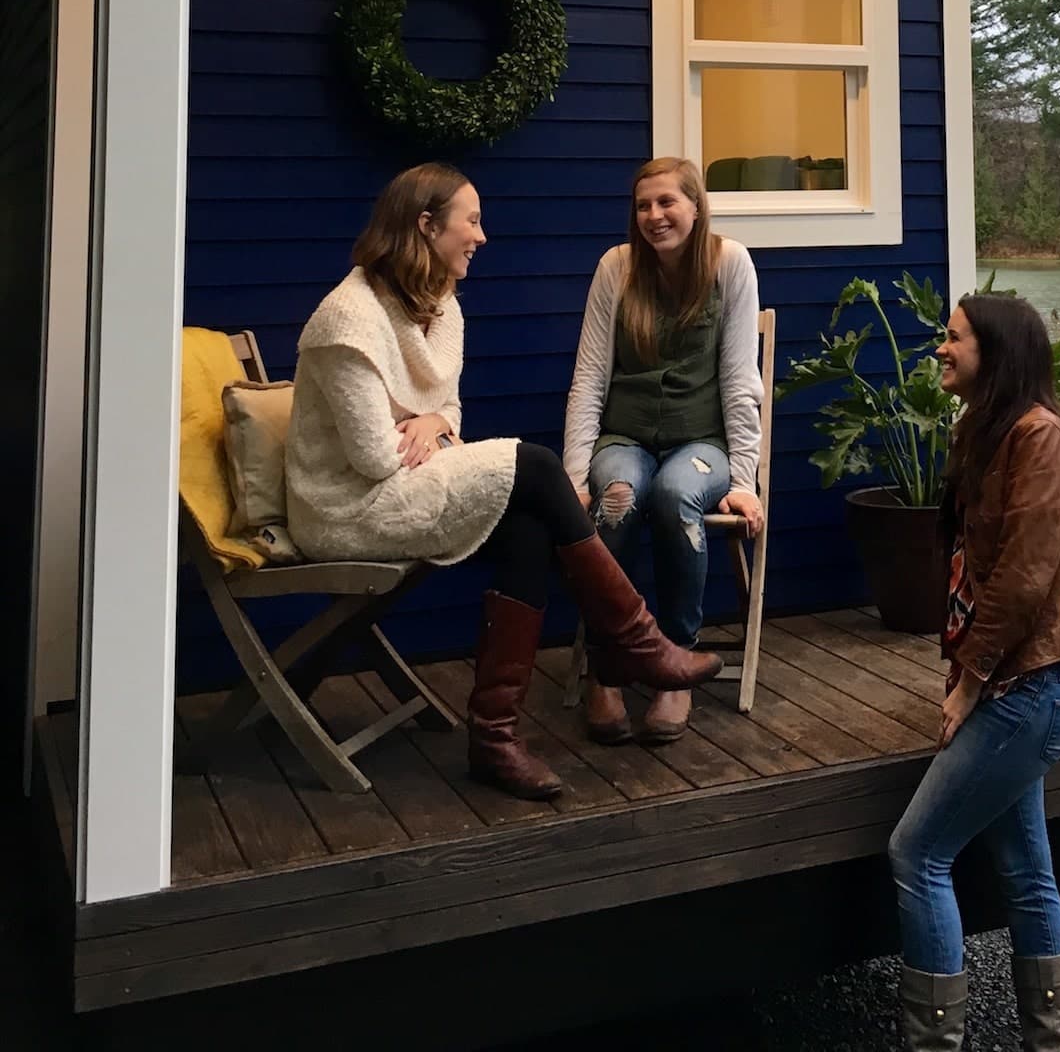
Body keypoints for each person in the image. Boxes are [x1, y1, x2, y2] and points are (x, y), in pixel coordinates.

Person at [285, 162, 721, 801]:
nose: (482, 236)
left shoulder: (438, 308)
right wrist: (426, 426)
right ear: (426, 226)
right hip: (347, 508)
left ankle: (494, 739)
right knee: (537, 467)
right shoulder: (346, 321)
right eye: (472, 220)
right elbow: (377, 458)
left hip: (408, 483)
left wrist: (428, 417)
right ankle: (637, 641)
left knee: (526, 524)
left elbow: (449, 415)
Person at [887, 294, 1060, 1052]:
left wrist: (970, 681)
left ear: (997, 351)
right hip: (1015, 686)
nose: (941, 348)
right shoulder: (985, 432)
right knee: (1026, 872)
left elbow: (1024, 578)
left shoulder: (1040, 438)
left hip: (1030, 690)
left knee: (918, 853)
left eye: (954, 339)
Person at [563, 157, 764, 746]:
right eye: (644, 205)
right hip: (623, 438)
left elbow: (739, 379)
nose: (654, 216)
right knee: (619, 499)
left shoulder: (730, 264)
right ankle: (610, 664)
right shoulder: (617, 268)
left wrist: (745, 479)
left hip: (702, 444)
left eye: (667, 202)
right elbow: (590, 376)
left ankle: (675, 663)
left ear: (696, 207)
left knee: (677, 497)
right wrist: (578, 473)